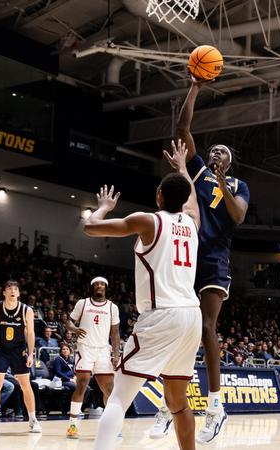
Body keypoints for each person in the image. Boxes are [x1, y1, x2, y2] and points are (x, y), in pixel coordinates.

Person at [150, 76, 250, 444]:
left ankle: (215, 406)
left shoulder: (238, 186)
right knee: (178, 331)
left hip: (215, 260)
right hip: (186, 257)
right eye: (214, 151)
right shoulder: (199, 173)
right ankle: (168, 404)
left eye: (223, 152)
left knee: (208, 327)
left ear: (231, 161)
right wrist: (195, 86)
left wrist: (223, 181)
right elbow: (182, 127)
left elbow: (237, 217)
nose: (216, 154)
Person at [85, 139, 201, 450]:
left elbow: (90, 228)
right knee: (178, 403)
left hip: (162, 314)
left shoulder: (148, 221)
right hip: (192, 315)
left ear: (159, 195)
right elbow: (191, 199)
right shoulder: (193, 222)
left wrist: (103, 208)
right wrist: (181, 167)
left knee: (119, 397)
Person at [0, 280, 40, 433]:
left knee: (26, 385)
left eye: (15, 289)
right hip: (1, 350)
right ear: (4, 292)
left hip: (19, 351)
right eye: (9, 288)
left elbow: (31, 333)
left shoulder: (27, 310)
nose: (13, 291)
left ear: (19, 293)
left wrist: (31, 353)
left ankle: (33, 419)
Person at [65, 276, 120, 439]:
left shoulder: (112, 307)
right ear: (92, 287)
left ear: (106, 288)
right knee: (82, 384)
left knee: (109, 390)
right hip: (85, 348)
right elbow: (68, 322)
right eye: (96, 284)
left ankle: (111, 426)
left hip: (103, 350)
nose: (99, 286)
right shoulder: (83, 303)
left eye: (102, 284)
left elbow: (115, 334)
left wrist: (116, 354)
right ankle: (72, 425)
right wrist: (74, 329)